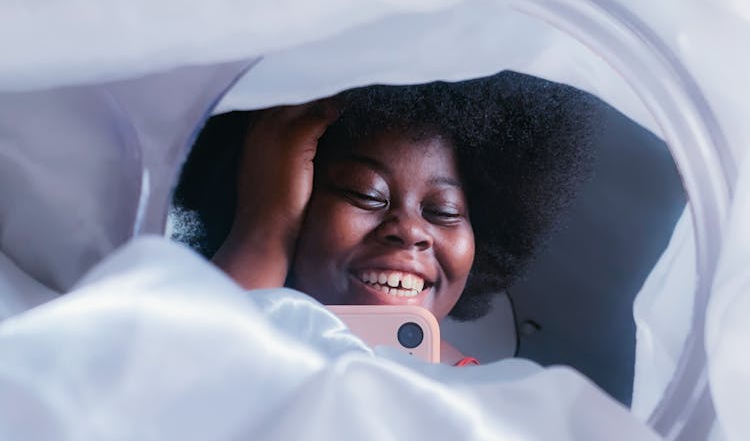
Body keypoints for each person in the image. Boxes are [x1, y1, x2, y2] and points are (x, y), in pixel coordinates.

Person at [172, 73, 599, 362]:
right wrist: (264, 228)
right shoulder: (182, 338)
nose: (411, 231)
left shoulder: (485, 416)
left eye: (443, 212)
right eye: (365, 194)